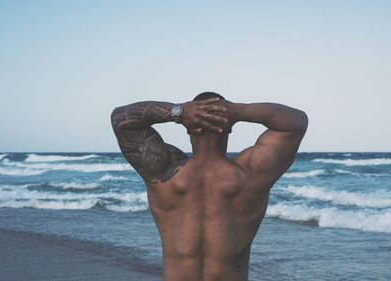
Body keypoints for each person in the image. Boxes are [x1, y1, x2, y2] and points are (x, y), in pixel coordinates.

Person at [111, 92, 308, 281]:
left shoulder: (163, 169)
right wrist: (234, 111)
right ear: (228, 127)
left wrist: (178, 112)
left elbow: (121, 119)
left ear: (188, 127)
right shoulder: (250, 174)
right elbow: (296, 122)